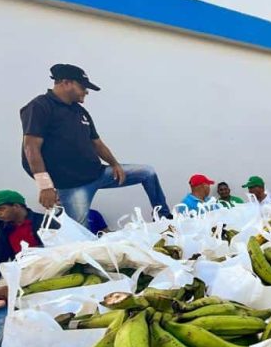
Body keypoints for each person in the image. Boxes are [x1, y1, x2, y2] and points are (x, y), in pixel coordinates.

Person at [21, 64, 171, 228]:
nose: (86, 92)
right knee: (79, 235)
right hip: (72, 187)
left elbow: (97, 143)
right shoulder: (40, 106)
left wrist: (114, 164)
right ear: (66, 83)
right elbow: (31, 147)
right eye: (83, 87)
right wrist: (45, 186)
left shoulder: (80, 111)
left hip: (98, 173)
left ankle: (164, 218)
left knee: (147, 172)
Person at [0, 190, 56, 291]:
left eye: (0, 209)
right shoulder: (4, 231)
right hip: (26, 278)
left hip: (53, 272)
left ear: (16, 206)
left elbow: (61, 250)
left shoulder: (46, 222)